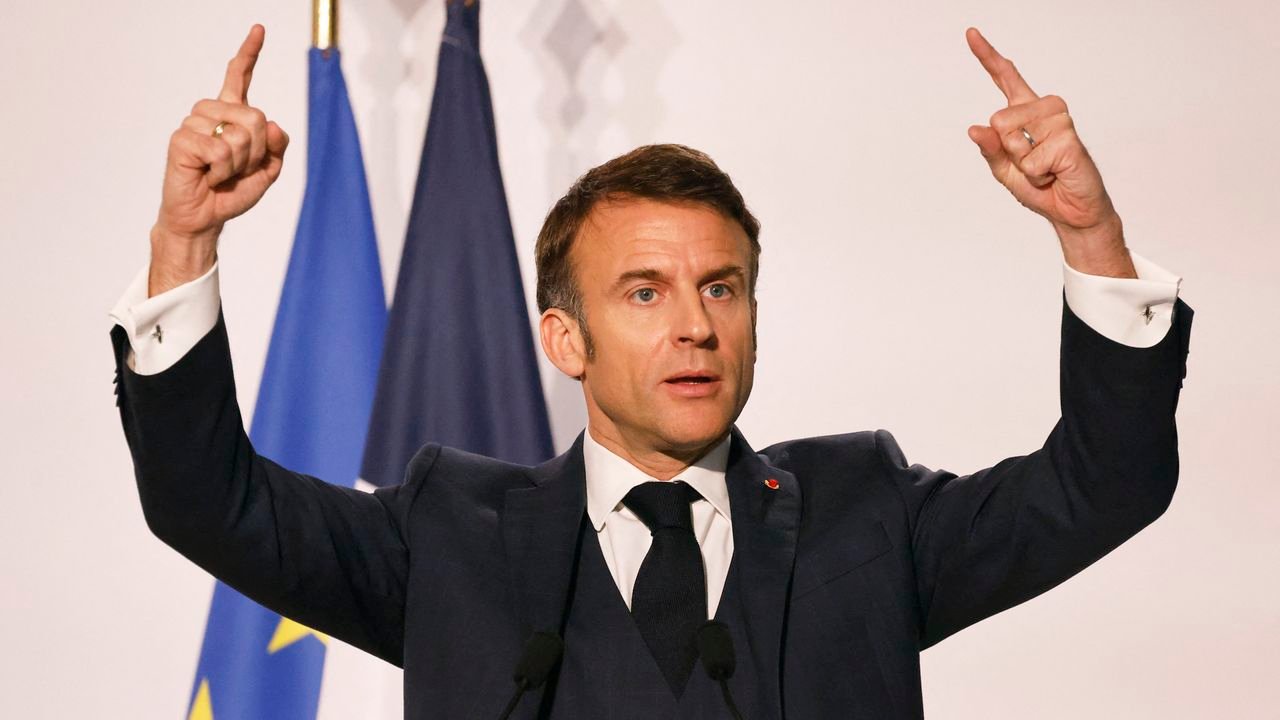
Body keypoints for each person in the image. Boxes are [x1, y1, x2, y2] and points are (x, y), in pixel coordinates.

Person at [110, 24, 1191, 719]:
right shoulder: (449, 533)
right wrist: (184, 242)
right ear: (563, 339)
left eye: (721, 288)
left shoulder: (866, 511)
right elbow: (208, 501)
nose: (694, 327)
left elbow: (1107, 482)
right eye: (643, 293)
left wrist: (1089, 236)